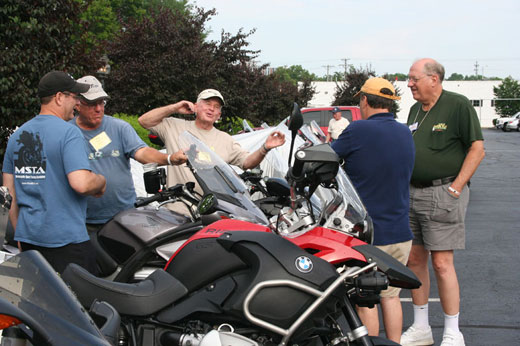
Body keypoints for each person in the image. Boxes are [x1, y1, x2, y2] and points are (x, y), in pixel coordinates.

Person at [401, 58, 485, 346]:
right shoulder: (414, 109)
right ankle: (421, 327)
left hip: (443, 193)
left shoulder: (458, 105)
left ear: (433, 79)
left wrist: (456, 188)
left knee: (442, 263)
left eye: (413, 78)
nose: (409, 83)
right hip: (412, 193)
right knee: (414, 261)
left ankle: (452, 331)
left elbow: (477, 148)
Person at [331, 77, 415, 343]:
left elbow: (327, 156)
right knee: (391, 296)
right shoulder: (405, 132)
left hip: (369, 235)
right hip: (400, 231)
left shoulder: (358, 130)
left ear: (365, 100)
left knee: (366, 299)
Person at [2, 71, 107, 274]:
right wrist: (101, 181)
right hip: (67, 243)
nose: (77, 103)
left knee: (41, 301)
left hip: (30, 241)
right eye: (74, 97)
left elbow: (9, 194)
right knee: (82, 304)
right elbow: (81, 183)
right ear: (59, 97)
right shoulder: (69, 132)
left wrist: (21, 237)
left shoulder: (17, 136)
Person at [70, 76, 187, 231]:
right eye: (92, 103)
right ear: (77, 104)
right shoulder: (66, 133)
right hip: (83, 221)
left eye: (101, 102)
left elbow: (142, 152)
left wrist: (169, 158)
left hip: (124, 217)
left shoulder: (119, 128)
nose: (98, 108)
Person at [138, 89, 286, 204]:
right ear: (195, 106)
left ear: (219, 115)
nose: (211, 109)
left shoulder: (225, 139)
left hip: (212, 211)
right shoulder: (173, 125)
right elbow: (144, 121)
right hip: (177, 207)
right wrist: (175, 107)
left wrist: (264, 148)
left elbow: (247, 162)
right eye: (207, 104)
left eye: (216, 107)